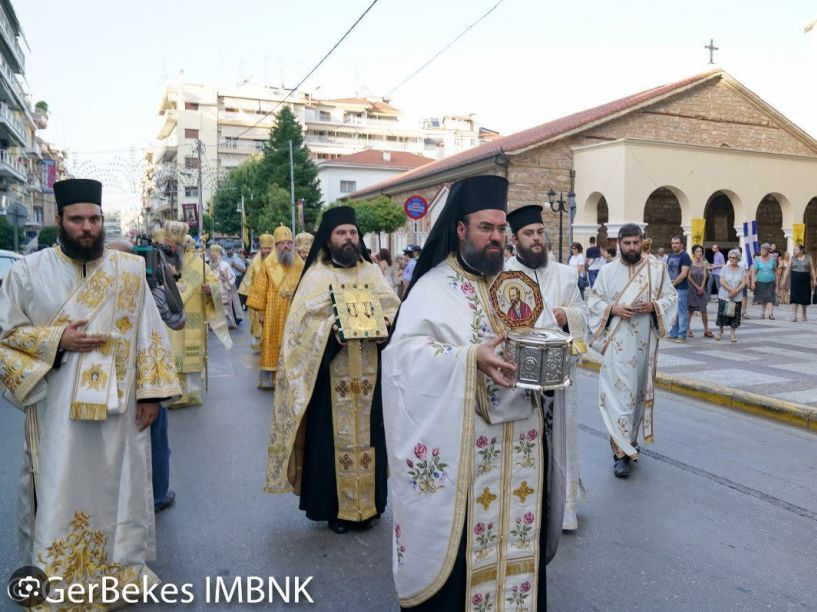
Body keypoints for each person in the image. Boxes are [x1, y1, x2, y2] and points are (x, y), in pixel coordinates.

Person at [382, 176, 565, 611]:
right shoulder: (431, 289)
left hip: (521, 447)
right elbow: (404, 360)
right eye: (486, 228)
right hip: (468, 455)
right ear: (461, 230)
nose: (496, 238)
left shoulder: (516, 285)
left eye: (501, 230)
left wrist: (554, 351)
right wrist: (468, 360)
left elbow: (542, 335)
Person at [0, 179, 181, 602]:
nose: (87, 228)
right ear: (60, 221)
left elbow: (149, 333)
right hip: (54, 411)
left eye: (94, 219)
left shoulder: (130, 272)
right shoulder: (28, 273)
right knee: (56, 489)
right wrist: (56, 341)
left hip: (119, 412)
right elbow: (5, 334)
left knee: (118, 487)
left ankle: (116, 575)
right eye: (77, 219)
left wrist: (152, 395)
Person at [264, 206, 400, 534]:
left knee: (371, 438)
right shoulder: (316, 276)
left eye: (353, 233)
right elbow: (300, 328)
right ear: (329, 239)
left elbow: (393, 310)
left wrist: (387, 325)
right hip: (329, 376)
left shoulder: (371, 273)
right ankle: (336, 509)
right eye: (342, 233)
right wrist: (330, 333)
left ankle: (370, 504)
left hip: (370, 376)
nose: (349, 238)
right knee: (330, 443)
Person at [506, 204, 589, 532]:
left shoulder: (566, 274)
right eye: (529, 234)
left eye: (540, 232)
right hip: (518, 376)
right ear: (516, 239)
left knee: (559, 440)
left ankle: (563, 510)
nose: (537, 238)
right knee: (521, 440)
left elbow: (584, 316)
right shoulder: (502, 277)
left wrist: (567, 316)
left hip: (558, 374)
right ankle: (522, 506)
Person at [586, 223, 678, 478]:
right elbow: (593, 302)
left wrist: (653, 305)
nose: (631, 248)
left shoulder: (656, 270)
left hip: (644, 346)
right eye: (626, 243)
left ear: (641, 242)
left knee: (636, 397)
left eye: (636, 243)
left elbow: (671, 298)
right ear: (618, 244)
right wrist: (613, 309)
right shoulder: (606, 271)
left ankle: (630, 443)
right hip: (617, 346)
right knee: (619, 396)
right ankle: (620, 454)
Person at [108, 239, 186, 512]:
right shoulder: (148, 288)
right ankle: (157, 494)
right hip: (145, 379)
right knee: (155, 441)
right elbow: (178, 321)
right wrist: (164, 284)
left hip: (106, 383)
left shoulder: (92, 289)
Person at [168, 229, 233, 407]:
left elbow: (215, 285)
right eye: (170, 245)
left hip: (193, 318)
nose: (172, 248)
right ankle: (173, 394)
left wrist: (210, 290)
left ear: (183, 247)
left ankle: (191, 394)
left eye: (174, 245)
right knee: (172, 356)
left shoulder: (199, 265)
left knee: (190, 357)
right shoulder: (164, 263)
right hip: (171, 319)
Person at [247, 225, 304, 389]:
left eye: (288, 243)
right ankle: (269, 379)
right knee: (271, 341)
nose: (285, 246)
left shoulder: (299, 263)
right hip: (273, 311)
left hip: (293, 310)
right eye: (281, 243)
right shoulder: (268, 264)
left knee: (292, 342)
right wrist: (262, 312)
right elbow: (260, 289)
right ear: (276, 246)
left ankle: (290, 377)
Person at [239, 234, 274, 353]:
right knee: (258, 324)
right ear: (261, 249)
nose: (267, 251)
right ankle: (258, 345)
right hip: (258, 298)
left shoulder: (278, 260)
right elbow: (248, 280)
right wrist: (250, 298)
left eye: (270, 248)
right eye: (265, 248)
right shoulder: (255, 263)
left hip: (273, 298)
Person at [715, 249, 746, 341]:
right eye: (730, 257)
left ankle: (733, 333)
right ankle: (720, 331)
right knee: (722, 314)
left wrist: (735, 291)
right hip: (724, 295)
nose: (732, 259)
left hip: (737, 296)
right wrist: (730, 290)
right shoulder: (724, 268)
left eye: (734, 257)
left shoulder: (742, 269)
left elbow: (743, 283)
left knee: (734, 315)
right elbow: (721, 281)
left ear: (738, 258)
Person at [666, 236, 691, 343]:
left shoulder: (685, 256)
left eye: (677, 243)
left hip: (681, 288)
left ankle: (682, 335)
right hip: (671, 289)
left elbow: (684, 273)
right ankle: (674, 333)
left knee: (682, 312)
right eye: (673, 243)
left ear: (681, 244)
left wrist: (674, 283)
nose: (674, 245)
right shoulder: (670, 256)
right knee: (673, 312)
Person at [210, 244, 239, 329]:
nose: (212, 258)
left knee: (224, 308)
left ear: (219, 255)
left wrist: (224, 276)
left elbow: (233, 278)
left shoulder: (225, 265)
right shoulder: (209, 265)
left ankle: (226, 324)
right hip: (212, 289)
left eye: (214, 256)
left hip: (223, 289)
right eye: (211, 256)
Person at [687, 244, 712, 338]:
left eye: (701, 251)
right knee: (690, 311)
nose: (699, 253)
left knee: (703, 310)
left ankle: (706, 329)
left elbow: (705, 276)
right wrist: (697, 287)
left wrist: (702, 287)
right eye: (697, 251)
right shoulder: (690, 263)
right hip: (692, 289)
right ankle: (688, 328)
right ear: (694, 253)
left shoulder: (704, 263)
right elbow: (688, 277)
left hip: (702, 289)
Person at [786, 244, 815, 321]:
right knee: (794, 297)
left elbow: (812, 269)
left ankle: (804, 314)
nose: (794, 251)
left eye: (796, 249)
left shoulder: (808, 258)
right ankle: (794, 315)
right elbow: (788, 269)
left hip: (805, 280)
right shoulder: (792, 258)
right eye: (794, 249)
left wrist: (815, 279)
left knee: (805, 297)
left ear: (802, 250)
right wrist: (784, 279)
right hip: (795, 280)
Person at [751, 243, 778, 319]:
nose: (762, 251)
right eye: (761, 249)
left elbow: (775, 270)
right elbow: (754, 272)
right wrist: (753, 282)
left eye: (764, 250)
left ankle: (770, 314)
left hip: (771, 281)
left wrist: (777, 281)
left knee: (770, 297)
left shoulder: (773, 259)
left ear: (768, 251)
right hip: (760, 281)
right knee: (763, 298)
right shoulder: (757, 259)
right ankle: (762, 313)